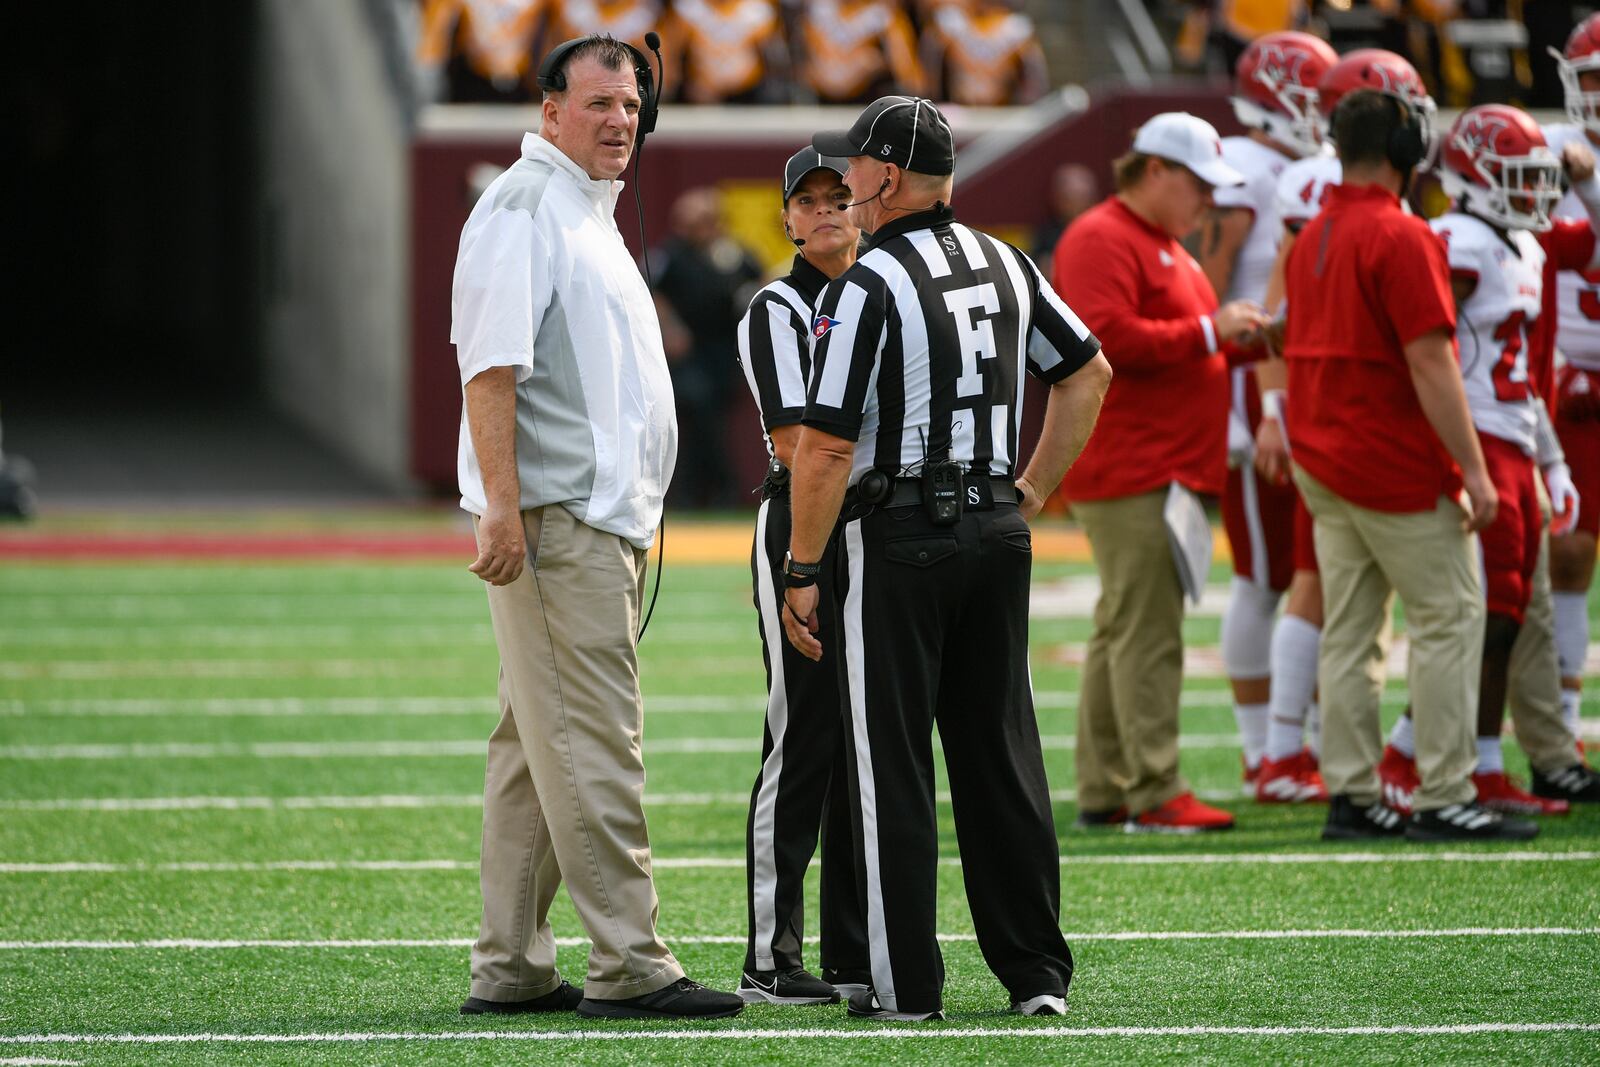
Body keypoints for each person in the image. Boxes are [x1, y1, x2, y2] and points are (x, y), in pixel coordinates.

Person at [780, 95, 1111, 1021]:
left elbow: (829, 446)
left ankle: (904, 987)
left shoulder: (866, 283)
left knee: (893, 767)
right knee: (1001, 754)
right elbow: (1088, 371)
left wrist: (803, 569)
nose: (844, 185)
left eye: (854, 169)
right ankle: (1037, 973)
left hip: (900, 540)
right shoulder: (1008, 260)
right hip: (997, 530)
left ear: (886, 177)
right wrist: (1033, 488)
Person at [450, 34, 742, 1021]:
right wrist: (502, 502)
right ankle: (630, 962)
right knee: (593, 737)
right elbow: (490, 365)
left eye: (631, 104)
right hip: (556, 519)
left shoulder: (581, 212)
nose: (620, 120)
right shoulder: (527, 207)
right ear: (549, 112)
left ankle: (511, 963)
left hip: (589, 519)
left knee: (536, 747)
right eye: (599, 103)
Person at [1280, 87, 1534, 843]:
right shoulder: (1404, 235)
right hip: (1388, 460)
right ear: (1407, 149)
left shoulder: (1316, 231)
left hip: (1322, 458)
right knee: (1450, 617)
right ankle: (1446, 790)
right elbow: (1431, 363)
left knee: (1352, 628)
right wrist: (1475, 470)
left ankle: (1353, 791)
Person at [1052, 112, 1268, 833]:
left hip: (1157, 465)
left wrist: (1236, 338)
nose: (1207, 201)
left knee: (1124, 627)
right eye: (1198, 184)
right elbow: (1102, 339)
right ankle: (1154, 786)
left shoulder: (1154, 241)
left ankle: (1107, 783)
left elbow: (1186, 350)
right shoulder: (1104, 236)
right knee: (1148, 632)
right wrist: (1214, 330)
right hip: (1134, 466)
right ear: (1155, 171)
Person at [1256, 49, 1437, 802]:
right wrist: (1273, 407)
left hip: (1331, 412)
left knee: (1339, 597)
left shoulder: (1330, 188)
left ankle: (1305, 755)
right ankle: (1306, 753)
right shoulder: (1320, 190)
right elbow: (1278, 308)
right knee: (1341, 593)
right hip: (1353, 416)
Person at [1421, 104, 1600, 810]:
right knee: (1489, 611)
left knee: (1516, 608)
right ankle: (1464, 759)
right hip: (1480, 436)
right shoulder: (1457, 239)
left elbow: (1525, 364)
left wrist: (1552, 459)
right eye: (1520, 178)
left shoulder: (1520, 245)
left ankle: (1493, 755)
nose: (1535, 192)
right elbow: (1421, 343)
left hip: (1519, 435)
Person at [734, 147, 870, 1006]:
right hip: (802, 519)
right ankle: (769, 954)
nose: (824, 212)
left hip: (882, 520)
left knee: (871, 738)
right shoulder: (777, 307)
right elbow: (797, 443)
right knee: (804, 732)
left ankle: (859, 949)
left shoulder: (885, 290)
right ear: (785, 217)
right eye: (807, 201)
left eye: (838, 198)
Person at [1197, 29, 1337, 803]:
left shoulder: (1294, 167)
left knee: (1312, 574)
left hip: (1300, 385)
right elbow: (1208, 283)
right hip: (1258, 385)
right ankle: (1262, 752)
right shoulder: (1246, 167)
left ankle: (1305, 742)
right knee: (1263, 576)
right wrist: (1232, 407)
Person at [1543, 15, 1600, 772]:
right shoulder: (1540, 148)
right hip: (1567, 377)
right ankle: (1560, 721)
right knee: (1568, 550)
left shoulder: (1575, 166)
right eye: (1589, 77)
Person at [651, 187, 764, 509]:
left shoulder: (733, 254)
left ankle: (713, 492)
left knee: (714, 418)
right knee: (699, 411)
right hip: (688, 352)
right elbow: (653, 291)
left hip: (724, 351)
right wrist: (671, 328)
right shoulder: (672, 255)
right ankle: (705, 492)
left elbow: (762, 281)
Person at [919, 0, 1048, 107]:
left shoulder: (1018, 30)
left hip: (1001, 112)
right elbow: (927, 78)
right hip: (958, 112)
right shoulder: (948, 24)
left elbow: (1035, 83)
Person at [792, 0, 923, 104]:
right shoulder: (818, 9)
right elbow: (821, 54)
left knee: (870, 58)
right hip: (823, 84)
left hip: (868, 93)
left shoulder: (883, 14)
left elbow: (907, 70)